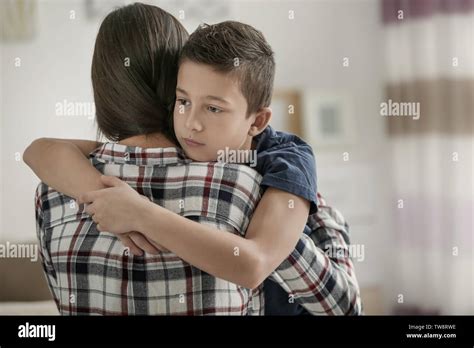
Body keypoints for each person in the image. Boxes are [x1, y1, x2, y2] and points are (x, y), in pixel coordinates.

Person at [25, 3, 362, 315]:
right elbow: (39, 149)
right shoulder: (242, 186)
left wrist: (141, 213)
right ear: (172, 87)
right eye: (183, 101)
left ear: (257, 121)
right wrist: (104, 196)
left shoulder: (277, 166)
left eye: (214, 108)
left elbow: (259, 264)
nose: (192, 122)